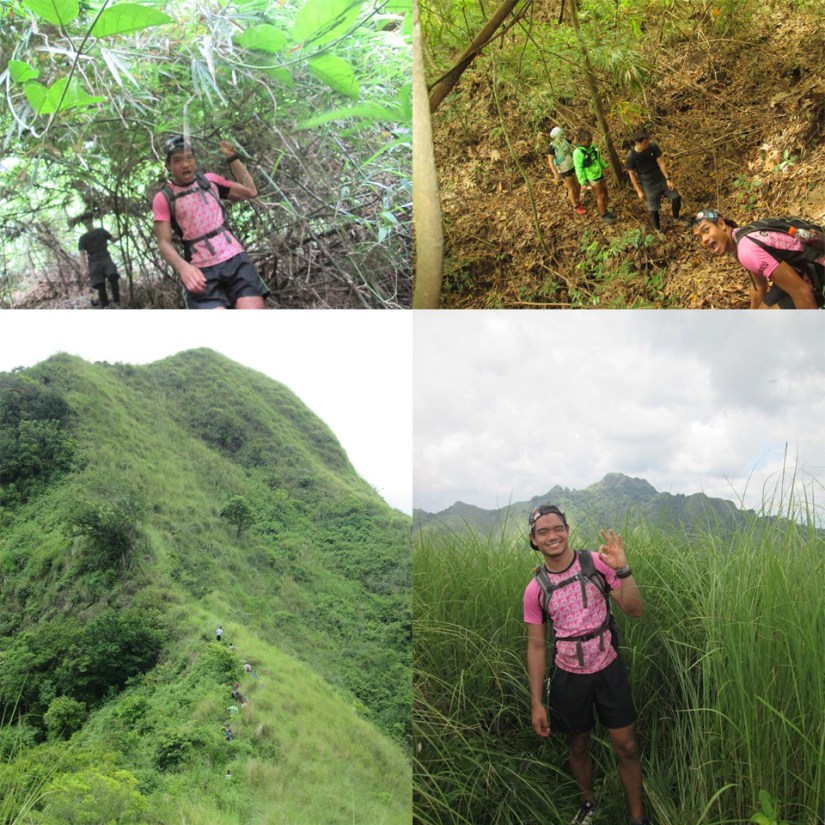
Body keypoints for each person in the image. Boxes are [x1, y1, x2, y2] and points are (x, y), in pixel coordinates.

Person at [524, 505, 650, 825]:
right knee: (577, 743)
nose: (552, 535)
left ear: (567, 530)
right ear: (533, 540)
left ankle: (637, 817)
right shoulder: (536, 589)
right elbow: (537, 645)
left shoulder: (595, 563)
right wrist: (536, 702)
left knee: (626, 745)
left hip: (608, 667)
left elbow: (634, 610)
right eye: (543, 531)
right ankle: (588, 803)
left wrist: (623, 570)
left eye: (558, 528)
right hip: (568, 675)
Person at [153, 136, 270, 309]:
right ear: (168, 165)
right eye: (177, 160)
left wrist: (232, 157)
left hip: (235, 260)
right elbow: (164, 242)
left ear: (195, 160)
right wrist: (183, 268)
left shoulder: (210, 181)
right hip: (201, 271)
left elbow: (250, 191)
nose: (185, 164)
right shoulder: (163, 198)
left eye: (189, 158)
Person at [691, 209, 822, 309]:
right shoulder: (741, 236)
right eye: (699, 237)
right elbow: (759, 285)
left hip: (816, 272)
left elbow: (802, 291)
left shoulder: (746, 249)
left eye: (706, 230)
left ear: (721, 224)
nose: (704, 240)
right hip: (799, 268)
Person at [625, 129, 685, 232]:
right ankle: (657, 229)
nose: (647, 144)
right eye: (644, 143)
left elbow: (661, 163)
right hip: (648, 183)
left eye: (647, 141)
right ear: (637, 143)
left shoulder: (653, 147)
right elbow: (632, 174)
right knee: (654, 208)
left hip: (660, 178)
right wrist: (638, 191)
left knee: (676, 197)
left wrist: (667, 179)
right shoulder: (631, 156)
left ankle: (676, 219)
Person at [77, 217, 121, 307]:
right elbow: (82, 254)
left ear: (92, 222)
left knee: (113, 276)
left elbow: (112, 239)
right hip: (94, 262)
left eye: (89, 222)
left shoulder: (101, 231)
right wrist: (84, 268)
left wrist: (121, 233)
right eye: (86, 223)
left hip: (105, 258)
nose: (88, 224)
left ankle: (117, 302)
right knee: (100, 285)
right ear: (84, 225)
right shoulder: (83, 239)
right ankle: (105, 306)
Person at [573, 130, 615, 224]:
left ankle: (606, 210)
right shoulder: (578, 152)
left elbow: (599, 159)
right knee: (601, 195)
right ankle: (603, 215)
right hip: (591, 177)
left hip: (599, 173)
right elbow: (578, 168)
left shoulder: (593, 148)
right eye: (587, 141)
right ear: (581, 141)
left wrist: (605, 167)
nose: (590, 142)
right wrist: (582, 182)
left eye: (590, 140)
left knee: (606, 193)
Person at [547, 126, 586, 215]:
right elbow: (551, 161)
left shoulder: (565, 141)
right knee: (571, 187)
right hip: (564, 169)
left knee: (578, 184)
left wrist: (575, 135)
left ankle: (576, 199)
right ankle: (576, 205)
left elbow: (574, 143)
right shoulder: (551, 147)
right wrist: (555, 173)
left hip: (572, 165)